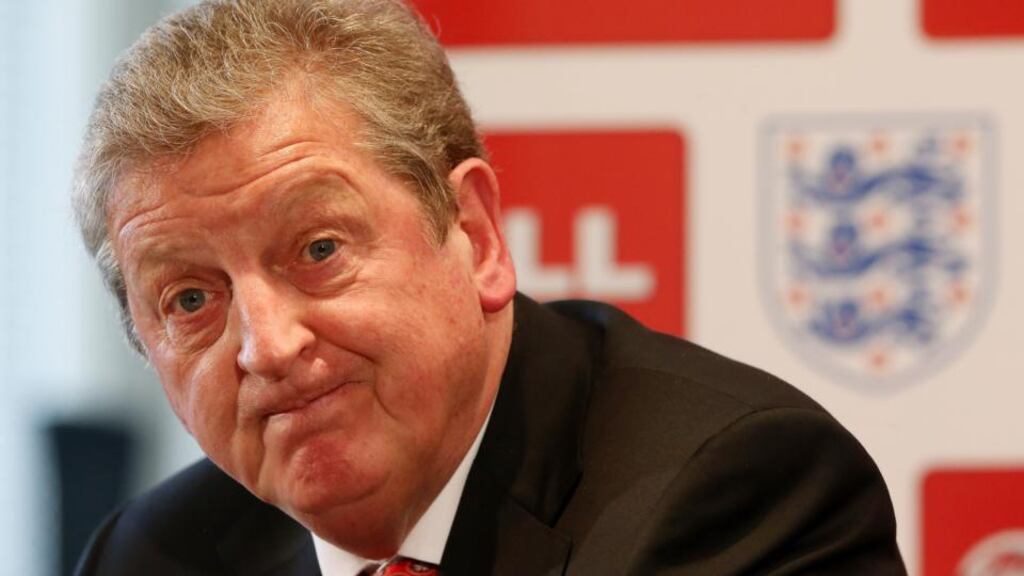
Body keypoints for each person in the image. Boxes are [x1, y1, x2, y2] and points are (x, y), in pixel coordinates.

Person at [71, 0, 906, 574]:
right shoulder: (152, 557)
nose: (268, 346)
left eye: (318, 249)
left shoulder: (731, 496)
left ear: (473, 235)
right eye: (190, 300)